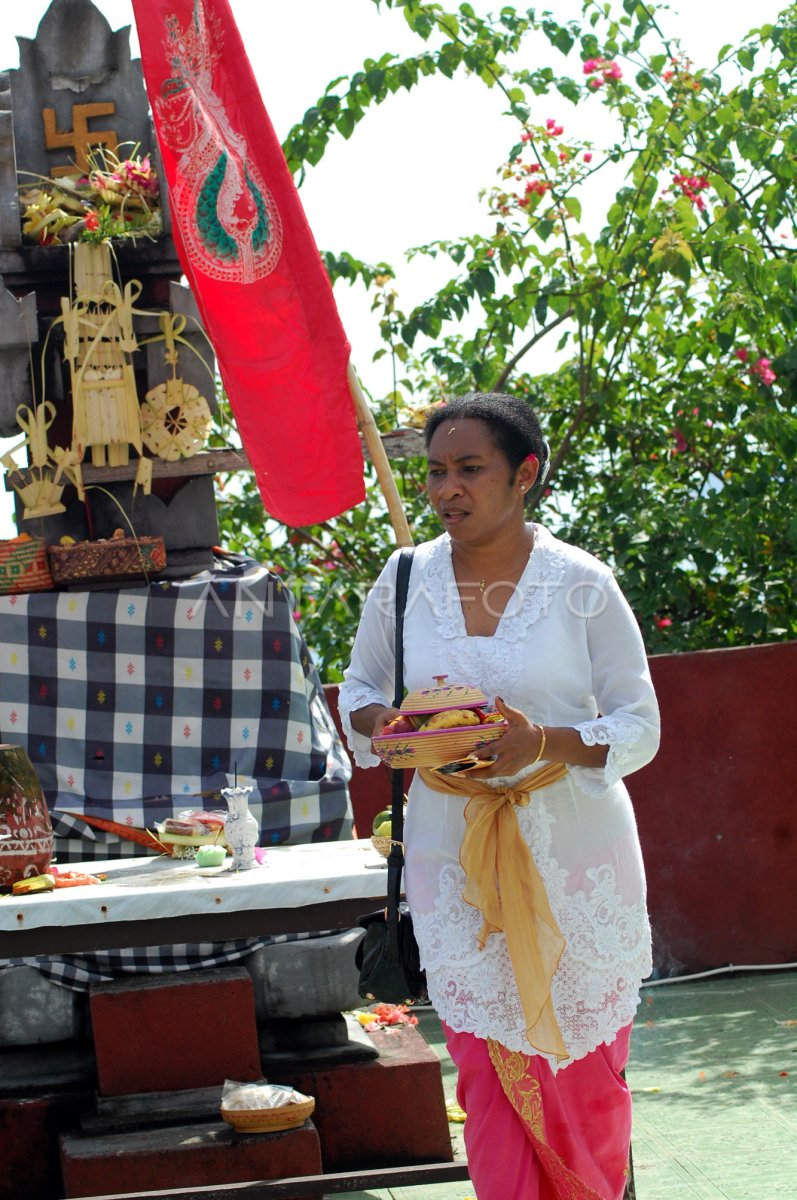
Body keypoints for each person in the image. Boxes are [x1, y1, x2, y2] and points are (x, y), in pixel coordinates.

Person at [338, 392, 660, 1200]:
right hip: (455, 864)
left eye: (468, 470)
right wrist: (402, 728)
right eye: (436, 472)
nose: (446, 489)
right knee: (487, 1075)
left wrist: (540, 742)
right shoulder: (404, 578)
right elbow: (357, 694)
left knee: (584, 1071)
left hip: (578, 861)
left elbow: (640, 724)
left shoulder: (581, 583)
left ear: (525, 476)